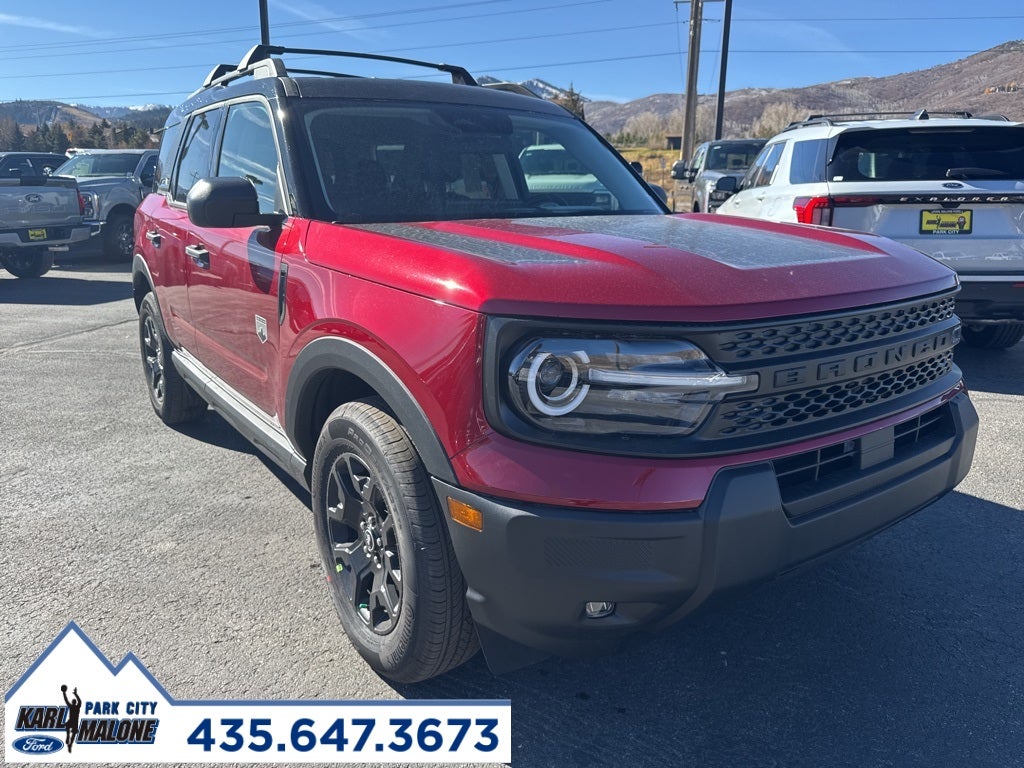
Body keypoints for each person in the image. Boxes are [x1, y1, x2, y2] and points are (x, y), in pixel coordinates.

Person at [61, 684, 81, 754]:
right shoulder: (77, 707)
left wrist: (64, 693)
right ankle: (69, 742)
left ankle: (68, 738)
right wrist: (76, 694)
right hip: (74, 722)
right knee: (73, 733)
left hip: (72, 721)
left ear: (73, 702)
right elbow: (79, 701)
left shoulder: (73, 706)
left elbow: (66, 700)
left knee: (68, 727)